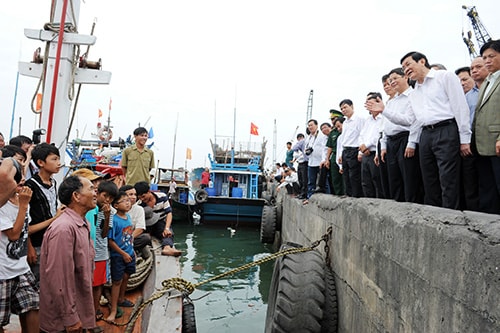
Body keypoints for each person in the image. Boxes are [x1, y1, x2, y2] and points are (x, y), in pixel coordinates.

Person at [369, 52, 471, 209]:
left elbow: (460, 107)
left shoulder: (444, 77)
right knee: (429, 179)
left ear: (422, 61)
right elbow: (410, 121)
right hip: (425, 136)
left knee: (447, 178)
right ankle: (433, 215)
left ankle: (450, 216)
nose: (406, 69)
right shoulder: (415, 91)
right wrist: (384, 110)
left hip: (446, 130)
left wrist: (464, 139)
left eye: (408, 64)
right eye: (404, 67)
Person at [39, 175, 97, 333]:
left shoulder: (83, 223)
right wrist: (70, 318)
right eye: (91, 188)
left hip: (77, 310)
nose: (95, 192)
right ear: (76, 196)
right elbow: (59, 278)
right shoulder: (64, 229)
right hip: (62, 322)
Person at [0, 148, 39, 333]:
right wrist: (23, 205)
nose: (22, 180)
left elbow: (24, 231)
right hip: (3, 272)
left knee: (32, 305)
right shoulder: (3, 205)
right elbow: (14, 234)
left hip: (21, 267)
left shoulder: (23, 198)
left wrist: (30, 248)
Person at [25, 143, 64, 285]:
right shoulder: (30, 186)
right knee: (38, 283)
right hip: (36, 243)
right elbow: (25, 223)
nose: (58, 163)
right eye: (54, 159)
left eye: (58, 159)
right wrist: (29, 247)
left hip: (52, 240)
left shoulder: (53, 182)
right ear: (41, 163)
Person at [473, 40, 500, 214]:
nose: (487, 60)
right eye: (485, 57)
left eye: (492, 56)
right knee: (488, 188)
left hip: (497, 142)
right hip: (482, 144)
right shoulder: (488, 81)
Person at [107, 191, 136, 321]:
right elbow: (110, 241)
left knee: (126, 276)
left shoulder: (128, 217)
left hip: (129, 253)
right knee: (117, 281)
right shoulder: (115, 221)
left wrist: (131, 250)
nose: (128, 202)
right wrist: (123, 253)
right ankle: (113, 310)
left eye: (128, 200)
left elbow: (130, 236)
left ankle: (121, 299)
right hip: (118, 256)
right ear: (116, 205)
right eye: (124, 201)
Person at [134, 181, 182, 256]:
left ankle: (167, 247)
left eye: (143, 196)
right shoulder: (139, 204)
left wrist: (167, 228)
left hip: (160, 221)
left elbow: (169, 213)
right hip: (146, 223)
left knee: (167, 232)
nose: (142, 199)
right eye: (140, 197)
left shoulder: (162, 197)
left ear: (149, 191)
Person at [359, 92, 385, 198]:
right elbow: (361, 135)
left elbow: (380, 135)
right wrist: (362, 148)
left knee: (377, 180)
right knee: (366, 181)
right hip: (365, 154)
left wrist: (367, 145)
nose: (369, 106)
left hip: (375, 152)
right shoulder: (368, 120)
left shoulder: (383, 118)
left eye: (371, 103)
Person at [338, 99, 364, 198]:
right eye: (342, 109)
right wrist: (341, 154)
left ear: (352, 106)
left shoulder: (359, 119)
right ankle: (348, 194)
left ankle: (355, 195)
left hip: (355, 149)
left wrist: (360, 152)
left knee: (354, 175)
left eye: (345, 107)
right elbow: (343, 139)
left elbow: (362, 135)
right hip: (346, 150)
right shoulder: (345, 123)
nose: (343, 110)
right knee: (346, 174)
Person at [119, 184, 152, 253]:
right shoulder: (115, 209)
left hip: (131, 237)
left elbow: (140, 228)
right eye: (130, 194)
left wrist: (129, 239)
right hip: (118, 237)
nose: (134, 197)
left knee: (146, 238)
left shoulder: (139, 209)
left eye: (135, 194)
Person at [303, 119, 328, 202]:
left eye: (311, 125)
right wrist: (306, 151)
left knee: (324, 181)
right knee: (311, 182)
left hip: (321, 162)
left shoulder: (322, 136)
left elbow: (325, 148)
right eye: (309, 125)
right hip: (311, 162)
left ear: (316, 126)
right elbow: (305, 149)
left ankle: (328, 197)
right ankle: (309, 197)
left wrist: (324, 159)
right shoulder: (308, 138)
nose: (310, 127)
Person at [325, 109, 345, 195]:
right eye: (332, 120)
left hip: (344, 154)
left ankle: (345, 193)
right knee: (335, 177)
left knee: (344, 177)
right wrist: (327, 159)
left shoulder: (345, 129)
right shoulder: (332, 132)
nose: (333, 121)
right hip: (334, 155)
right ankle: (338, 194)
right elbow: (329, 146)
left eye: (334, 119)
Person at [291, 133, 308, 199]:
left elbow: (293, 148)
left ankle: (304, 194)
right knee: (300, 179)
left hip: (304, 163)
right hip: (299, 163)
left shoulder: (304, 142)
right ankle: (301, 193)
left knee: (304, 179)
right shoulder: (298, 148)